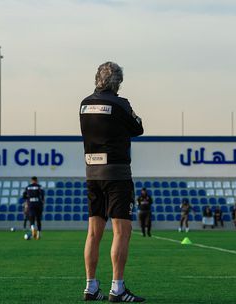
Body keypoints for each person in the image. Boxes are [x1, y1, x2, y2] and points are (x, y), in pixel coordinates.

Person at [80, 62, 145, 302]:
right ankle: (117, 288)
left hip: (92, 172)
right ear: (117, 82)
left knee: (93, 232)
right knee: (121, 231)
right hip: (117, 173)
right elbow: (138, 128)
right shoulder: (120, 104)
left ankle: (91, 286)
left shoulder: (84, 104)